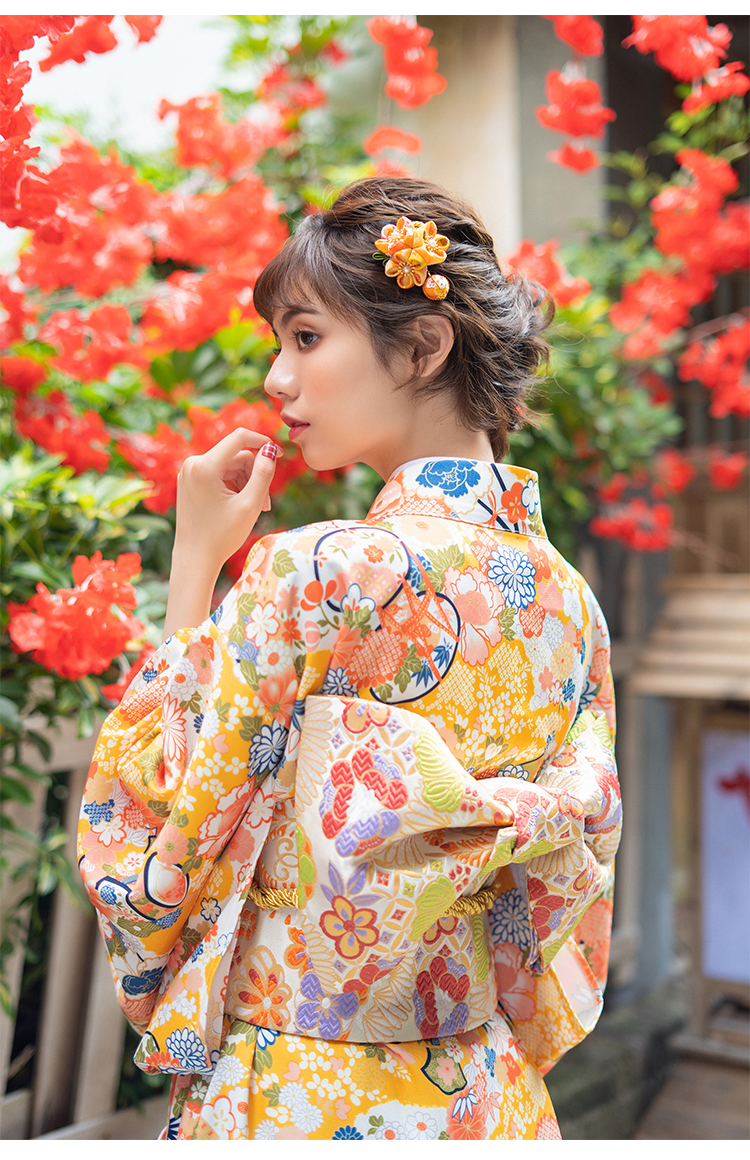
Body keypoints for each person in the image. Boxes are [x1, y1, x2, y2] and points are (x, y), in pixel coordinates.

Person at [78, 176, 620, 1141]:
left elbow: (168, 816)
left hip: (304, 1091)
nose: (275, 379)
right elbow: (556, 908)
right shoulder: (570, 599)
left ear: (423, 346)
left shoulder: (324, 569)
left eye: (305, 337)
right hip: (485, 1093)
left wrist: (195, 558)